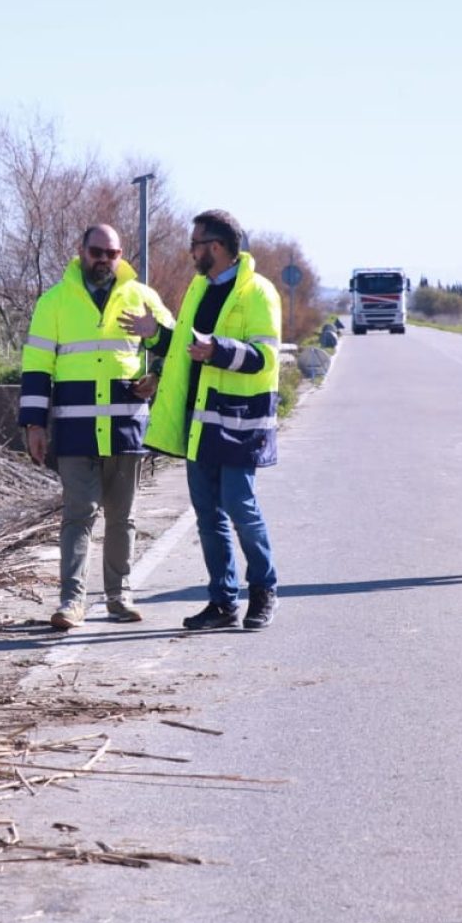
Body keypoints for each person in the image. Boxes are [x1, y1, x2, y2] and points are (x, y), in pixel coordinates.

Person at [120, 209, 282, 630]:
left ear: (216, 247)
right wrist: (155, 332)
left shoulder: (258, 293)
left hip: (239, 423)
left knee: (239, 507)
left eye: (195, 244)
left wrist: (220, 351)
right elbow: (187, 347)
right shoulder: (198, 288)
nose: (191, 252)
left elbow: (265, 357)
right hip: (198, 423)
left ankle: (264, 591)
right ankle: (223, 603)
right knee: (208, 515)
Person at [20, 224, 175, 630]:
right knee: (78, 516)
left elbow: (176, 349)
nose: (103, 260)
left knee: (122, 518)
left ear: (121, 255)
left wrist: (156, 373)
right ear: (81, 251)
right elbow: (37, 367)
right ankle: (71, 603)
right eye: (96, 252)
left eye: (112, 253)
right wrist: (34, 424)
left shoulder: (143, 298)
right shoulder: (54, 302)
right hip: (75, 431)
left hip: (126, 429)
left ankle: (119, 597)